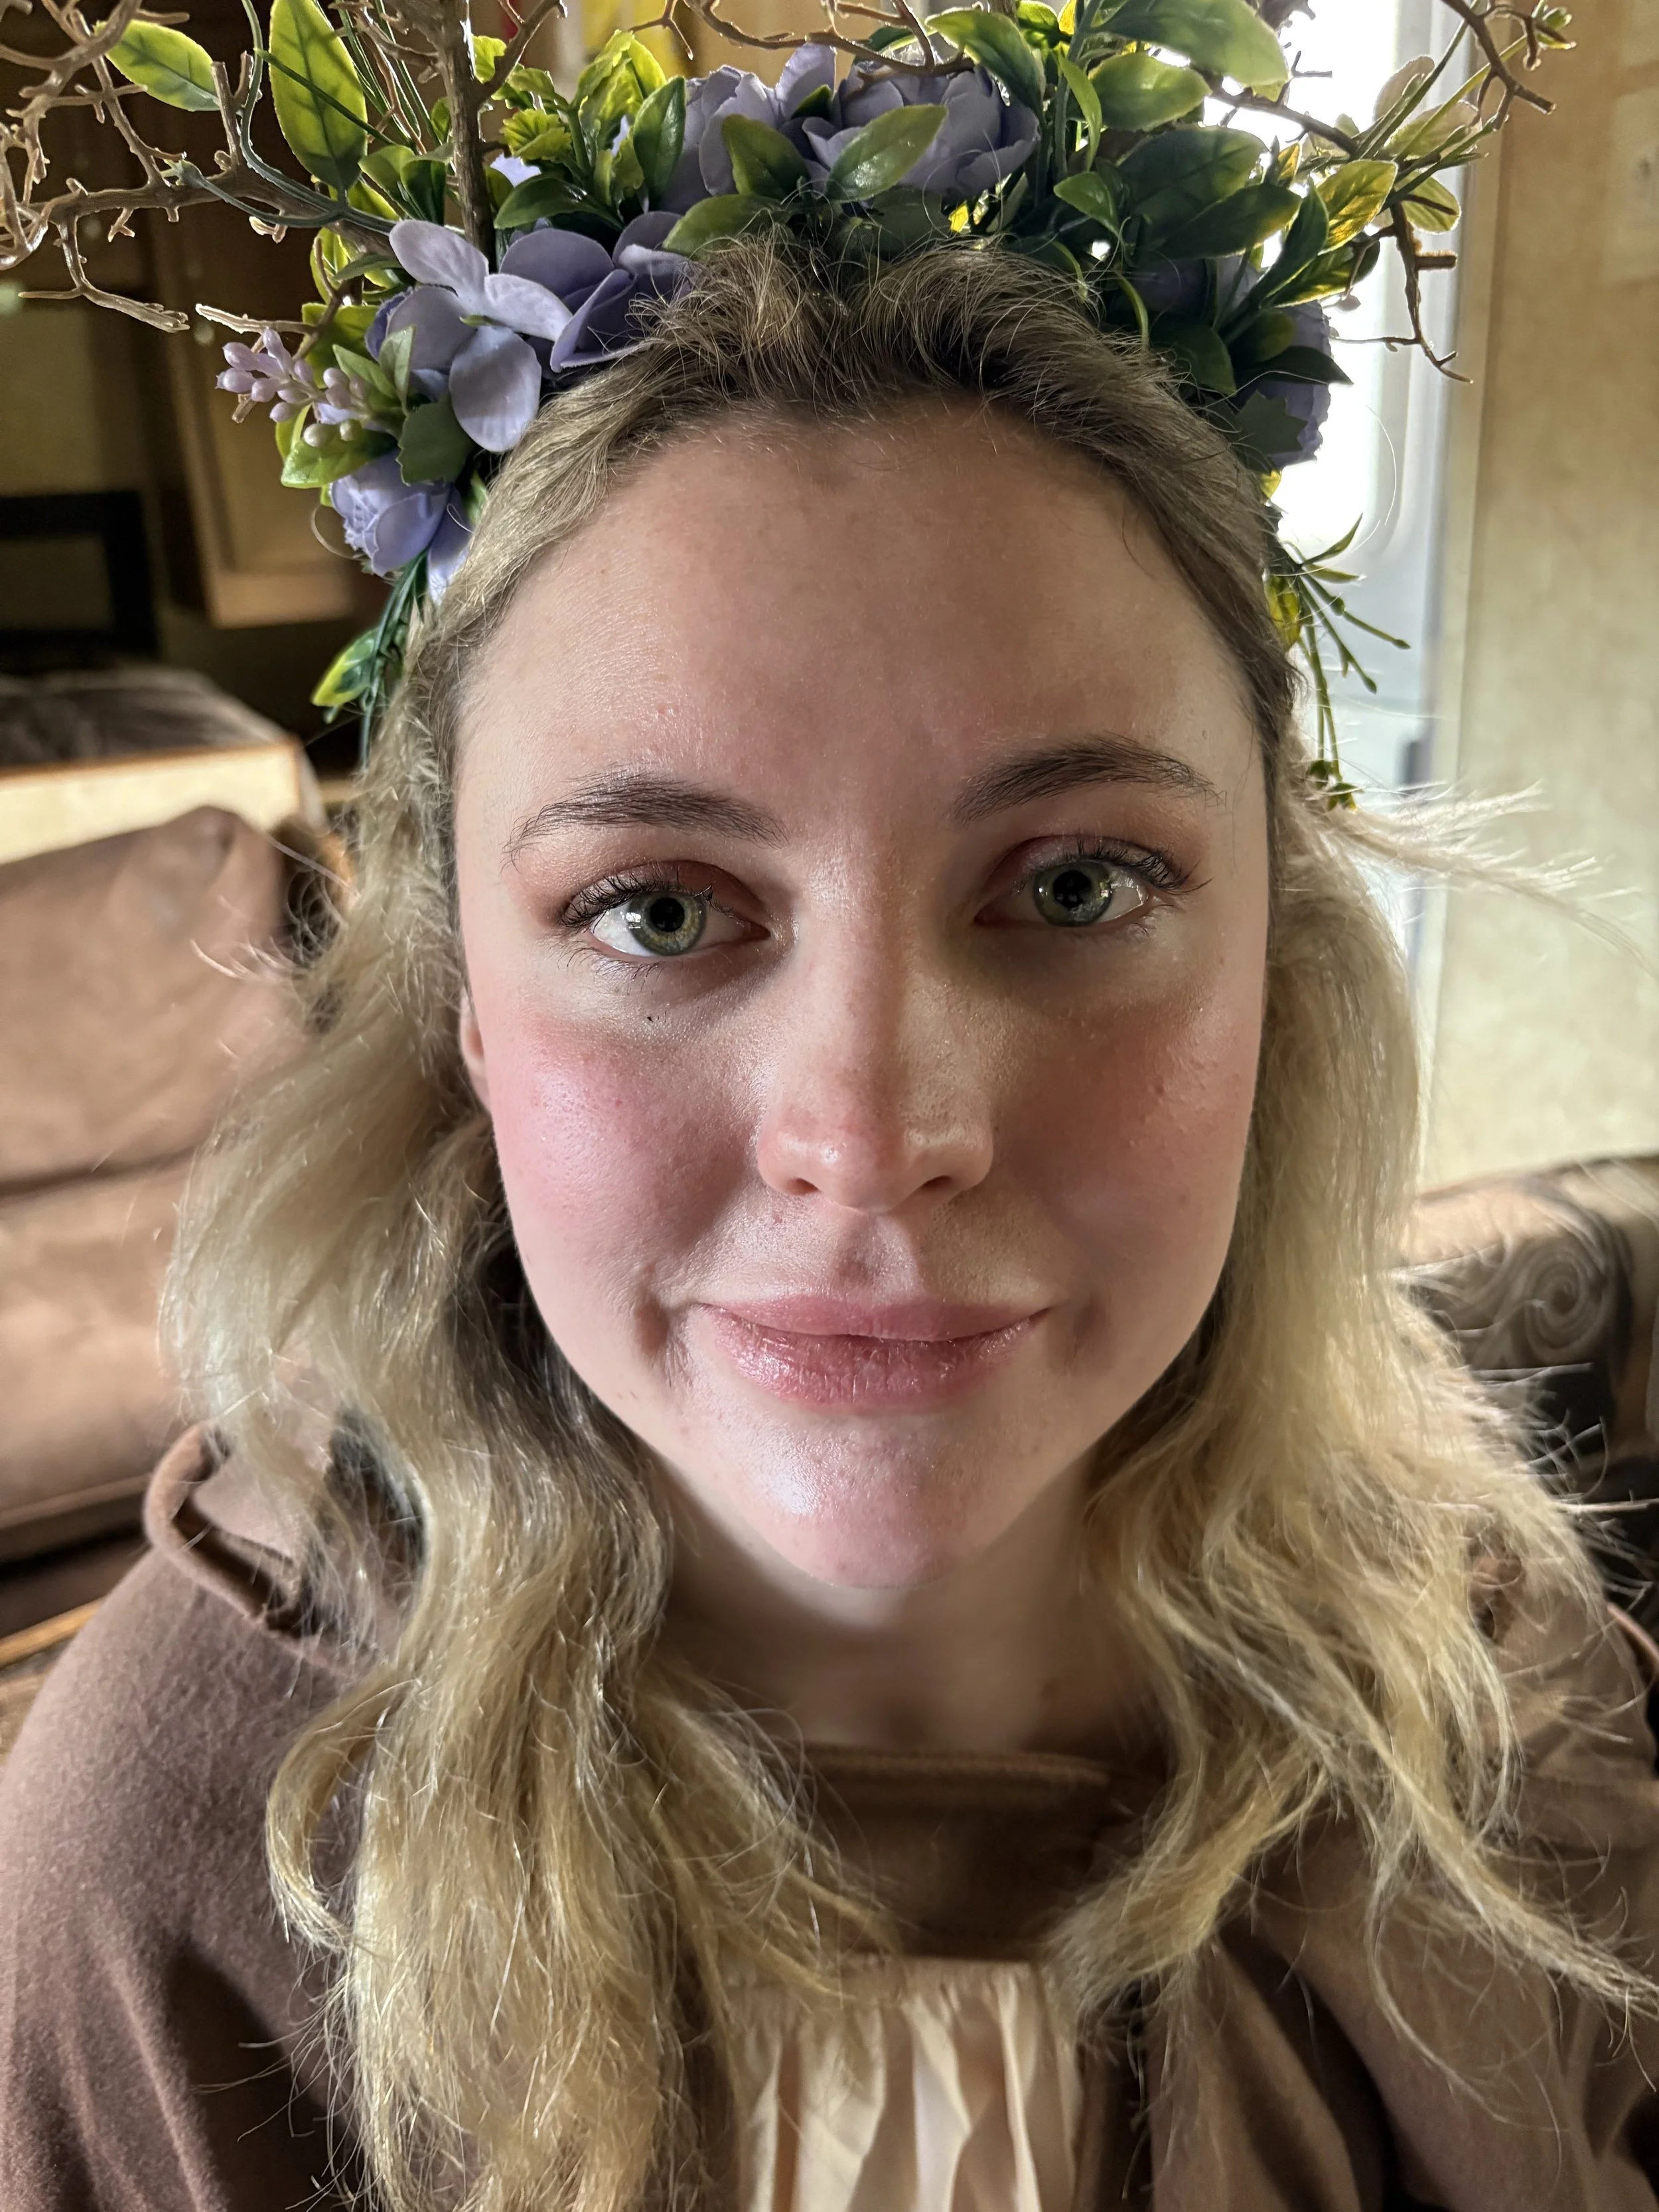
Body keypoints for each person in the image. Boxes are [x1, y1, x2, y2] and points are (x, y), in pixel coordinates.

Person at [3, 234, 1658, 2212]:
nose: (868, 1140)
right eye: (660, 908)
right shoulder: (182, 1828)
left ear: (1275, 977)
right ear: (465, 1016)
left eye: (1072, 889)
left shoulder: (1493, 1681)